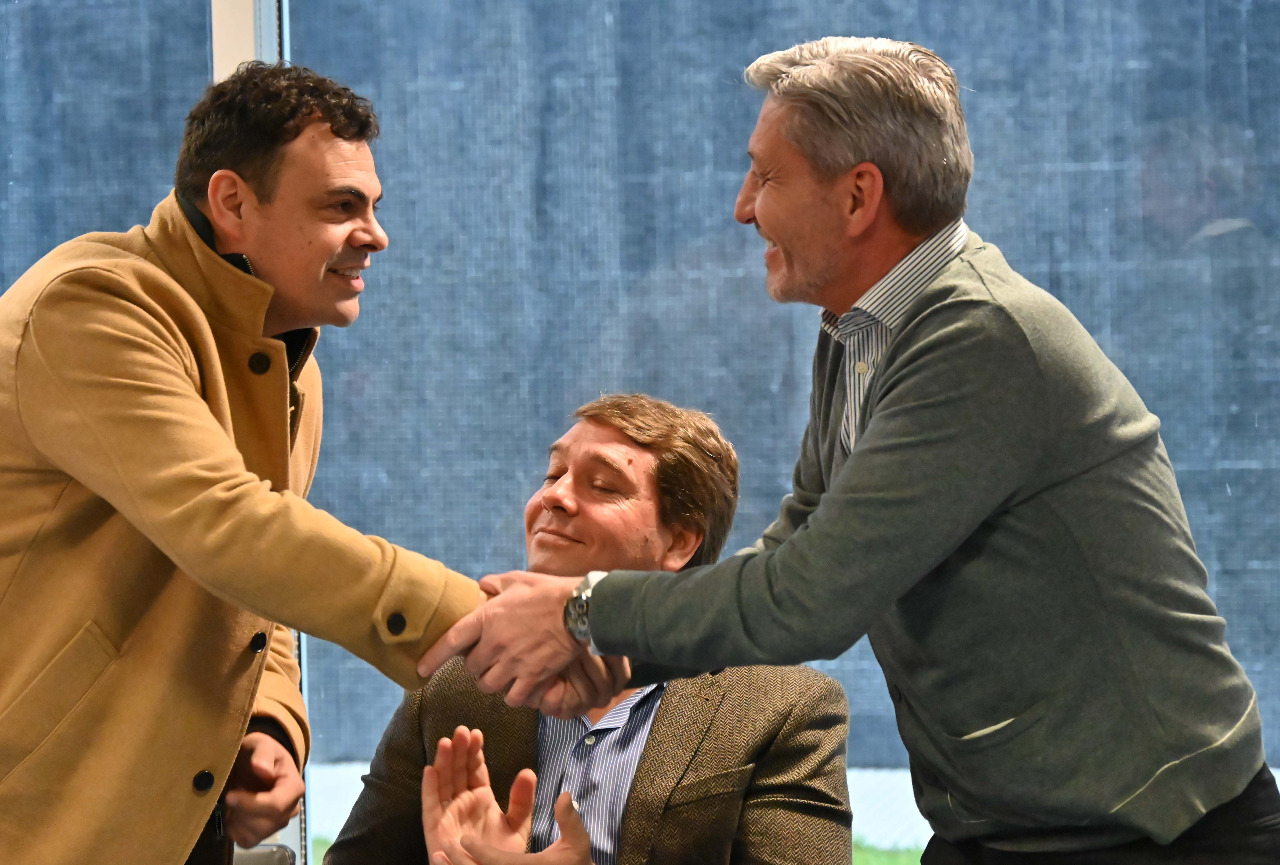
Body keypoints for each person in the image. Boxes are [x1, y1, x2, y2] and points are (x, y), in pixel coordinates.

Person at [421, 37, 1280, 862]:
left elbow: (807, 599)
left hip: (1159, 838)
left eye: (767, 176)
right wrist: (614, 655)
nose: (743, 206)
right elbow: (795, 543)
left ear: (859, 196)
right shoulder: (858, 330)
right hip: (1009, 831)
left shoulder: (978, 336)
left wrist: (582, 611)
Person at [0, 62, 487, 865]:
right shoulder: (91, 308)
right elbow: (232, 527)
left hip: (169, 820)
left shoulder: (286, 356)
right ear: (231, 203)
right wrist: (480, 624)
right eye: (340, 206)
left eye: (374, 206)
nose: (375, 235)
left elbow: (264, 587)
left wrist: (269, 721)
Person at [327, 393, 851, 865]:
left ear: (678, 543)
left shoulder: (782, 708)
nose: (553, 497)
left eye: (602, 485)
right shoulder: (457, 689)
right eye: (552, 474)